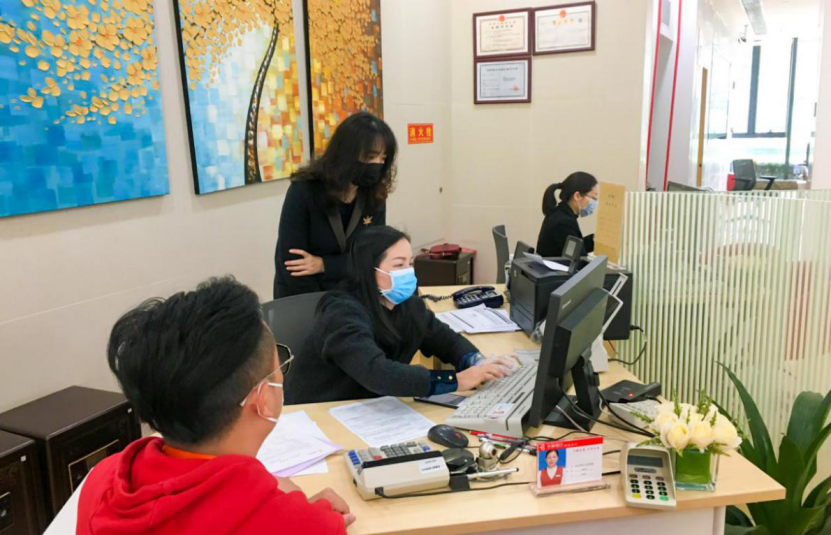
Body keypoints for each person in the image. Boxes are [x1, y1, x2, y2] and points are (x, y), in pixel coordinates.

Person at [77, 277, 354, 535]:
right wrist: (307, 513)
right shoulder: (298, 524)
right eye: (279, 361)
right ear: (263, 398)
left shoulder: (103, 479)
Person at [285, 226, 517, 405]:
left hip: (371, 408)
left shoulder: (406, 304)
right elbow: (377, 373)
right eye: (398, 265)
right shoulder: (342, 313)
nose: (408, 272)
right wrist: (457, 380)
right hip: (321, 412)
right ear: (368, 271)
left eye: (410, 263)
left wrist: (477, 361)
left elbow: (444, 339)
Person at [274, 112, 396, 299]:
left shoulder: (375, 195)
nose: (377, 164)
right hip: (303, 297)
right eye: (370, 156)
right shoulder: (304, 190)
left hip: (353, 295)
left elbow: (373, 257)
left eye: (383, 158)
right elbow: (293, 263)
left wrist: (324, 264)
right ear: (346, 154)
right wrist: (323, 306)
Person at [536, 172, 599, 257]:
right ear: (577, 196)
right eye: (593, 198)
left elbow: (574, 247)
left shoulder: (560, 213)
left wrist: (595, 239)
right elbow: (578, 257)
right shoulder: (564, 222)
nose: (595, 203)